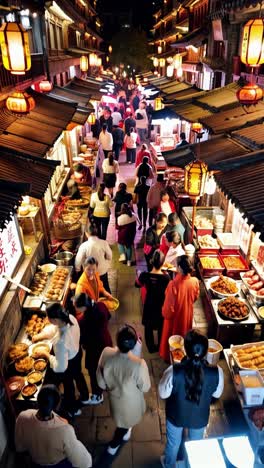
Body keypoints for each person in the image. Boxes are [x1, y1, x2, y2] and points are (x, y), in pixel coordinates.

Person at [159, 329, 224, 467]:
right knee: (196, 445)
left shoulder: (173, 371)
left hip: (176, 415)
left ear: (185, 350)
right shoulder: (217, 372)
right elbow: (217, 394)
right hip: (199, 418)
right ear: (206, 351)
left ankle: (169, 464)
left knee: (173, 444)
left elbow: (163, 393)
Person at [96, 325, 151, 455]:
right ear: (133, 345)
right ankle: (114, 445)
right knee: (125, 424)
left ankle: (124, 432)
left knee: (122, 421)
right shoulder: (139, 364)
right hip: (131, 402)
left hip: (115, 400)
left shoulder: (106, 352)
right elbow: (146, 387)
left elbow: (101, 383)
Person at [32, 303, 89, 417]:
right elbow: (56, 329)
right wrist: (40, 336)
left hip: (69, 363)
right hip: (77, 354)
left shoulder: (60, 342)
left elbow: (60, 367)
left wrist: (46, 354)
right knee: (78, 375)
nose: (47, 319)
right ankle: (85, 396)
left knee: (68, 386)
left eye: (48, 317)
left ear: (55, 319)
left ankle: (72, 409)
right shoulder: (70, 318)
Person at [15, 385, 92, 468]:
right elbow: (85, 462)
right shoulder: (65, 430)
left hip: (35, 463)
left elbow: (20, 447)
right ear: (56, 406)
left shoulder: (22, 417)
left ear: (37, 401)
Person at [73, 293, 112, 405]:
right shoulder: (101, 305)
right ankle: (106, 383)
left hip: (94, 349)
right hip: (106, 341)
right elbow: (109, 317)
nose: (76, 308)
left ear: (84, 307)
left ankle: (97, 394)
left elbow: (82, 339)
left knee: (94, 372)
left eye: (77, 306)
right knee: (105, 365)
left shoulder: (83, 321)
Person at [160, 255, 200, 362]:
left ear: (179, 268)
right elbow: (195, 297)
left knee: (172, 338)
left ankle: (171, 358)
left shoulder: (173, 285)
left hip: (174, 319)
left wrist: (163, 312)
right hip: (187, 314)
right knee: (184, 336)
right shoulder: (195, 281)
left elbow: (168, 310)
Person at [135, 250, 170, 353]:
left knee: (148, 327)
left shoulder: (145, 276)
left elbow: (137, 284)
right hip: (161, 304)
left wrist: (138, 276)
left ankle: (150, 347)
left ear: (151, 261)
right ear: (163, 263)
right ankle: (160, 346)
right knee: (160, 326)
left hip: (149, 303)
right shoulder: (166, 278)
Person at [75, 223, 112, 293]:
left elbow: (78, 260)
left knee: (92, 291)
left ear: (86, 233)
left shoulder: (84, 246)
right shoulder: (104, 243)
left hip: (90, 273)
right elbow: (109, 256)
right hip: (102, 271)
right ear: (97, 232)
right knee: (105, 288)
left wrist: (77, 270)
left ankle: (95, 301)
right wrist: (105, 258)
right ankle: (109, 302)